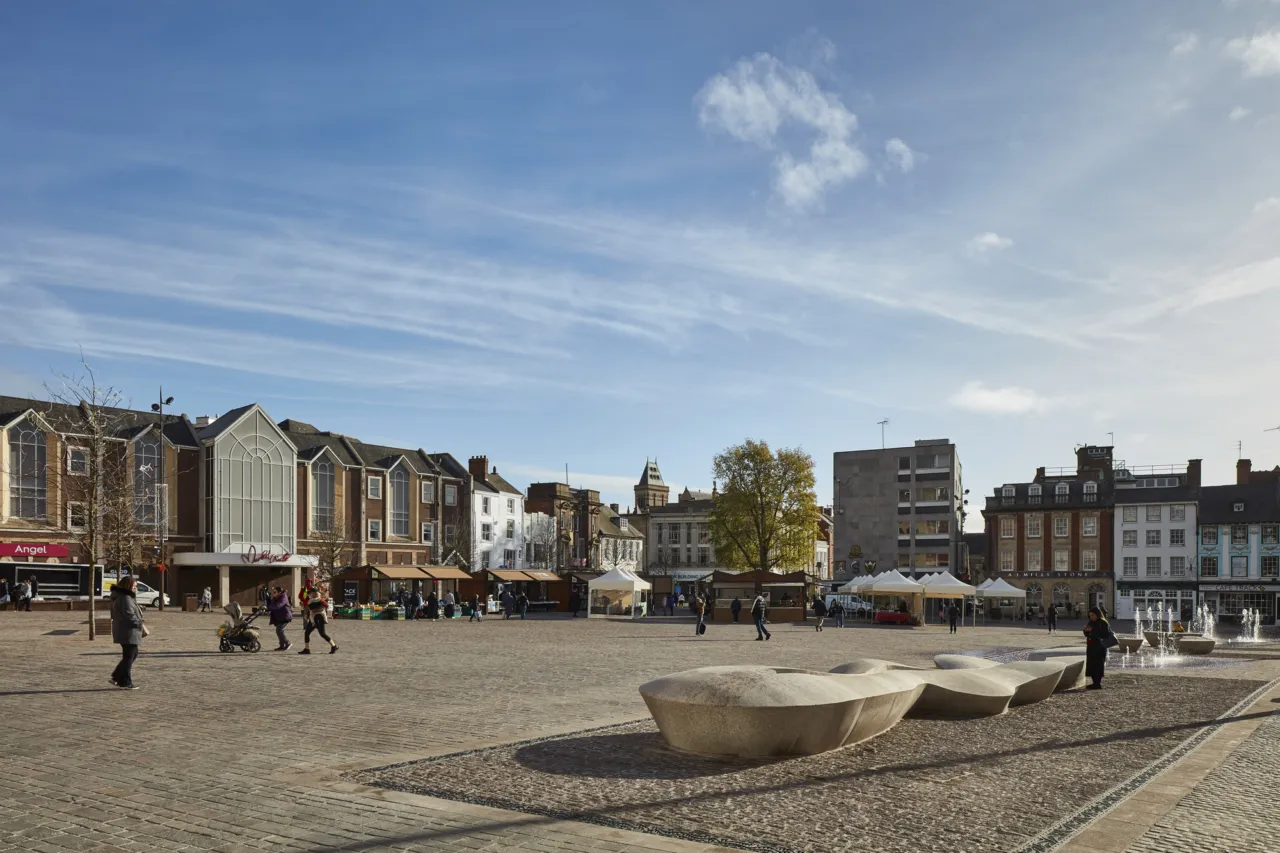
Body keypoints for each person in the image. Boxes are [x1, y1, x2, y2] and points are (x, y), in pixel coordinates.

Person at [109, 576, 145, 689]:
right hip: (128, 631)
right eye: (134, 586)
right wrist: (139, 623)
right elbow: (129, 615)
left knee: (132, 655)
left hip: (126, 630)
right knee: (129, 656)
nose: (135, 588)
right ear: (128, 585)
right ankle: (125, 681)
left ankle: (117, 676)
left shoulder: (125, 597)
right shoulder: (125, 598)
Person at [299, 587, 337, 655]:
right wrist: (307, 616)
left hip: (319, 617)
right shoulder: (310, 600)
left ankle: (333, 646)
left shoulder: (319, 599)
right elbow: (310, 609)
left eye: (311, 593)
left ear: (315, 593)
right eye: (310, 593)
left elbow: (326, 605)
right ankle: (307, 649)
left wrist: (316, 610)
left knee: (322, 633)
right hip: (312, 618)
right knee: (307, 632)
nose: (310, 594)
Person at [1082, 607, 1113, 689]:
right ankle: (1094, 682)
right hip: (1091, 646)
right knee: (1091, 664)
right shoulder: (1091, 622)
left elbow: (1105, 634)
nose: (1091, 617)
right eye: (1090, 615)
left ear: (1097, 615)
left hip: (1100, 647)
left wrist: (1092, 631)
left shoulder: (1103, 623)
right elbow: (1087, 633)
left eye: (1093, 615)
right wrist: (1086, 631)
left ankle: (1097, 683)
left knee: (1098, 665)